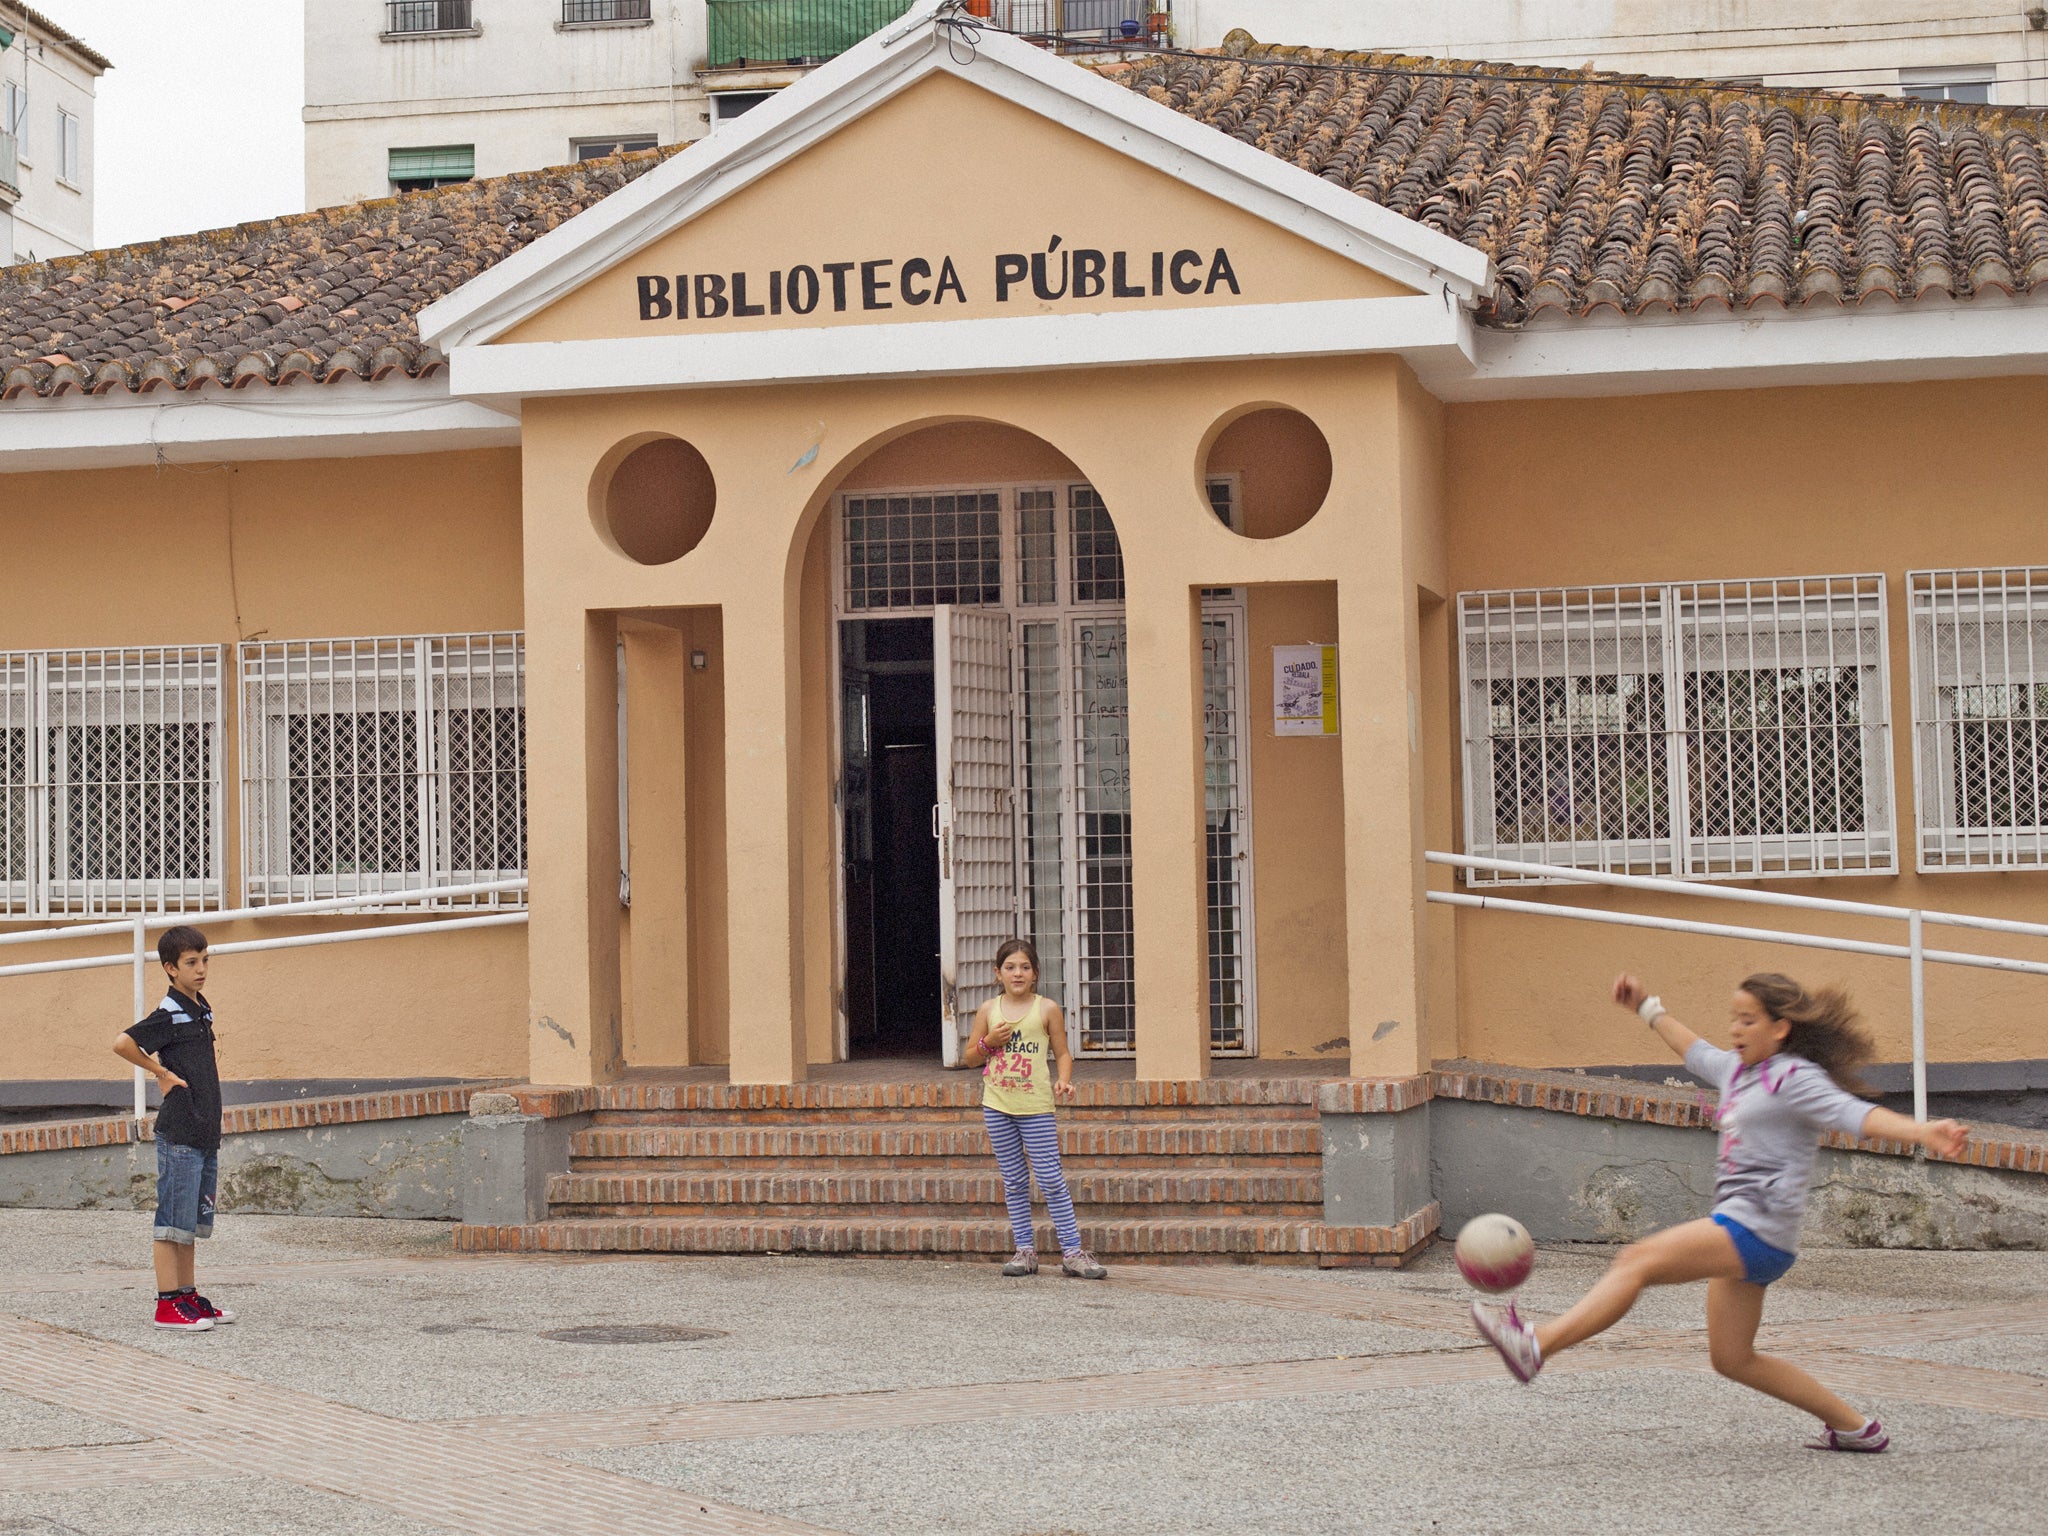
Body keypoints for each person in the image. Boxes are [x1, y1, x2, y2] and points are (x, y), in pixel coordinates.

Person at [1471, 970, 1969, 1452]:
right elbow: (1692, 1049)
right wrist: (1646, 1007)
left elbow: (1855, 1114)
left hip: (1755, 1227)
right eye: (1734, 1017)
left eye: (1749, 1020)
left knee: (1635, 1261)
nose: (1735, 1029)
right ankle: (1857, 1428)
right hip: (1753, 1235)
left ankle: (1537, 1345)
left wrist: (1923, 1131)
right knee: (1733, 1359)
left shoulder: (1793, 1077)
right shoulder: (1737, 1070)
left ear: (1780, 1028)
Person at [113, 926, 236, 1332]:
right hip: (180, 1132)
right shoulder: (168, 1013)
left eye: (204, 960)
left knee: (189, 1223)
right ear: (170, 968)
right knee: (171, 1222)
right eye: (191, 963)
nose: (201, 969)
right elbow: (124, 1043)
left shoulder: (200, 1008)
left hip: (203, 1131)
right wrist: (161, 1073)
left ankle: (187, 1295)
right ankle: (167, 1304)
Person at [963, 939, 1107, 1280]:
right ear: (998, 973)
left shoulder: (1046, 1009)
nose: (1018, 973)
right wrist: (988, 1043)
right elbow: (970, 1057)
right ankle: (1025, 1251)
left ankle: (1072, 1253)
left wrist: (1065, 1080)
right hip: (997, 1106)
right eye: (1010, 967)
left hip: (1037, 1107)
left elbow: (1063, 1054)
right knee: (1013, 1181)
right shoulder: (988, 1010)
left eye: (1025, 967)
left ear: (1035, 973)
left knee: (1051, 1179)